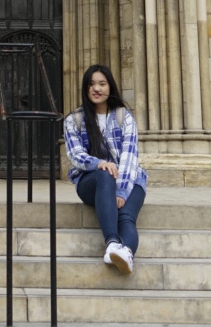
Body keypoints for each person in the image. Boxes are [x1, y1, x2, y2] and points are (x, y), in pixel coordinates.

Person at [62, 64, 147, 275]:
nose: (96, 89)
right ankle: (112, 242)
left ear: (110, 87)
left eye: (102, 83)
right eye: (91, 84)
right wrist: (98, 163)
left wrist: (122, 191)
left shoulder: (124, 117)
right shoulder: (74, 120)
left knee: (126, 217)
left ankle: (125, 253)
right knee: (104, 173)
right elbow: (75, 154)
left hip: (129, 180)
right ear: (85, 87)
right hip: (92, 182)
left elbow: (130, 156)